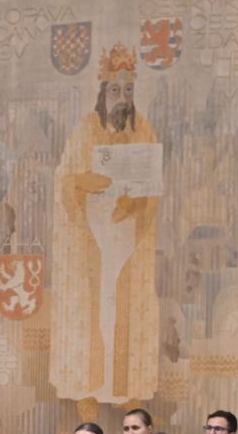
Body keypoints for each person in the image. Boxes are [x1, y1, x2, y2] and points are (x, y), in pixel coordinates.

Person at [50, 44, 160, 405]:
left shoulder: (143, 129)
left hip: (128, 239)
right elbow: (64, 179)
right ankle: (89, 399)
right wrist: (83, 181)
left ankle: (130, 398)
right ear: (103, 92)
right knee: (94, 312)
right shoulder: (86, 129)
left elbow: (152, 187)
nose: (122, 98)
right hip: (93, 237)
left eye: (128, 90)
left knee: (125, 313)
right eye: (115, 90)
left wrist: (136, 202)